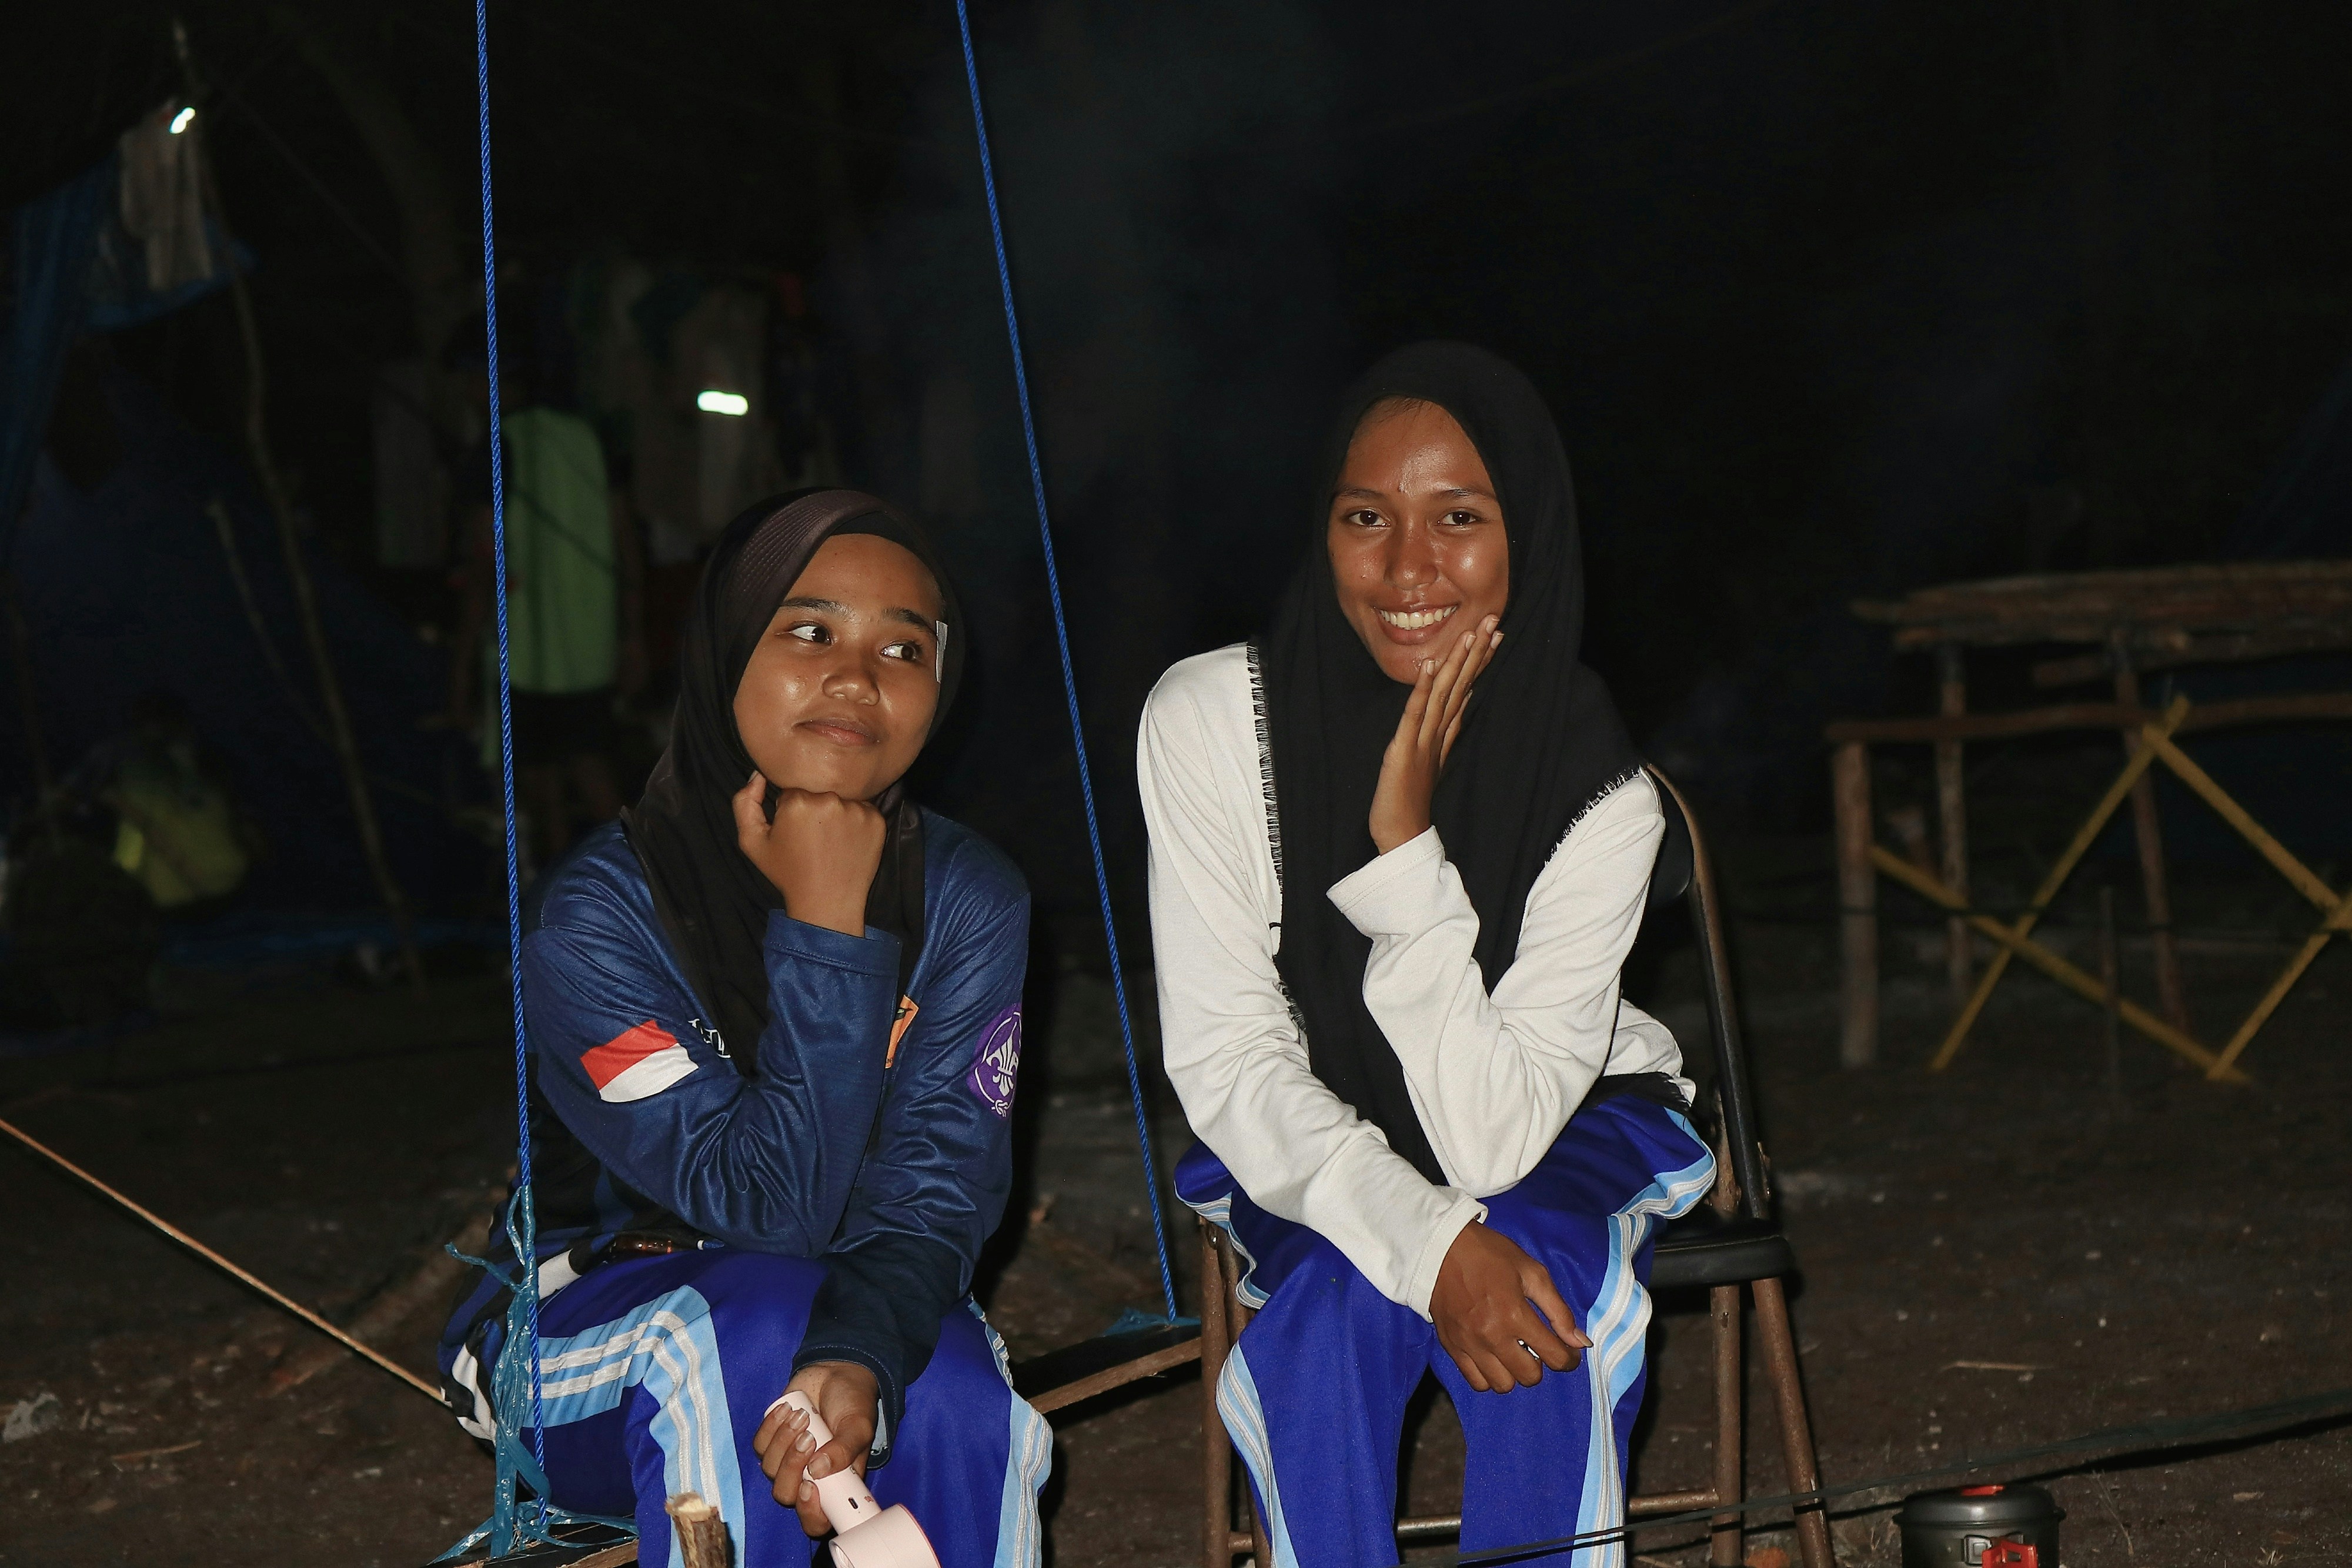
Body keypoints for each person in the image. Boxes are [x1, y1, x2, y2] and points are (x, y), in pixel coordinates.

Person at [1138, 342, 1714, 1568]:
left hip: (1560, 1109)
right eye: (1365, 516)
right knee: (1329, 1320)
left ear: (1528, 538)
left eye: (1458, 517)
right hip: (1306, 1118)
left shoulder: (1594, 787)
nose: (1407, 568)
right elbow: (1234, 1058)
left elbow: (1491, 1140)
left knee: (1545, 1295)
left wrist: (1402, 855)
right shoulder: (1204, 721)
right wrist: (1431, 1242)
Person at [437, 489, 1047, 1568]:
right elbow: (765, 1209)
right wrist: (824, 930)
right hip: (591, 1325)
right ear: (726, 652)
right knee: (742, 1330)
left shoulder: (966, 897)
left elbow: (936, 1199)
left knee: (956, 1388)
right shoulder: (599, 916)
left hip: (840, 1295)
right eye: (810, 631)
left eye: (903, 647)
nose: (857, 677)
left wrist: (859, 1355)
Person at [445, 307, 650, 868]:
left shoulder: (495, 448)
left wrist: (461, 665)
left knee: (548, 783)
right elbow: (625, 536)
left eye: (468, 380)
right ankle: (634, 891)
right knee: (586, 765)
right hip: (588, 642)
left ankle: (618, 898)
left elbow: (483, 560)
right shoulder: (585, 437)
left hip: (530, 650)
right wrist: (631, 634)